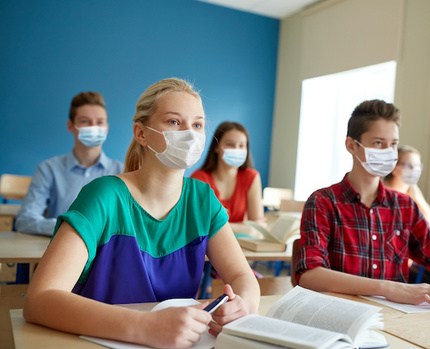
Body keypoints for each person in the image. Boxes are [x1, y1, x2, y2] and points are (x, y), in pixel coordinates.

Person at [23, 78, 260, 348]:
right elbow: (39, 300)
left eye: (197, 125)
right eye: (174, 122)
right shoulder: (103, 196)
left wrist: (244, 306)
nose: (190, 134)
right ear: (141, 133)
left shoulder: (202, 199)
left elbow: (243, 277)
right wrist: (146, 327)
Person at [294, 99, 430, 309]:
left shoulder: (404, 205)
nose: (388, 151)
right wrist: (388, 288)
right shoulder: (323, 202)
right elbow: (310, 276)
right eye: (378, 143)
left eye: (393, 144)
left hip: (395, 317)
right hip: (340, 313)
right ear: (351, 145)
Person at [15, 92, 123, 236]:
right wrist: (70, 229)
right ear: (70, 126)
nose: (93, 127)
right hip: (59, 251)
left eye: (99, 122)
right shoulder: (48, 169)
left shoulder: (122, 172)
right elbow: (25, 220)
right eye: (85, 121)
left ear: (107, 127)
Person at [191, 121, 265, 233]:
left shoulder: (251, 177)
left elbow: (258, 226)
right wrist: (243, 227)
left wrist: (218, 226)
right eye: (230, 144)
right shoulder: (199, 179)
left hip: (243, 245)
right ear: (216, 147)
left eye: (241, 145)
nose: (236, 149)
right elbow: (199, 225)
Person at [383, 145, 430, 239]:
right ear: (394, 167)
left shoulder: (413, 192)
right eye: (410, 165)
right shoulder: (384, 194)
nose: (415, 170)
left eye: (418, 166)